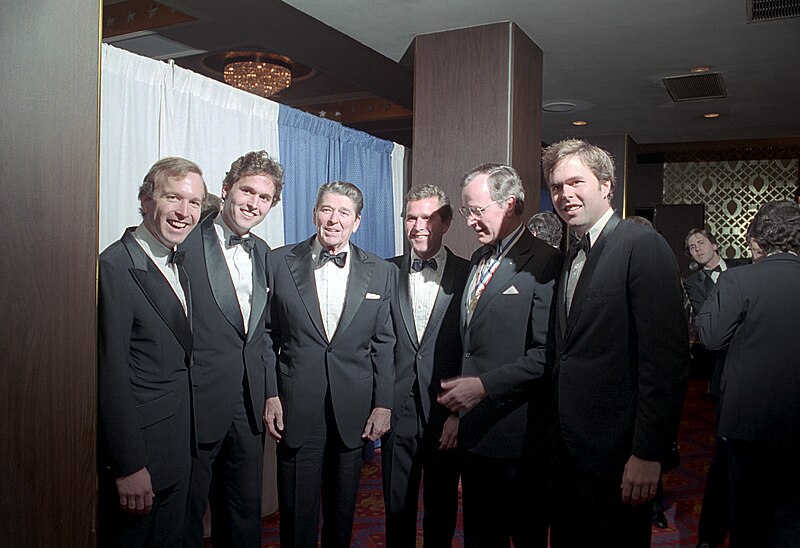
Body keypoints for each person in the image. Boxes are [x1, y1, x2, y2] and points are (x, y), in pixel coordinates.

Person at [542, 139, 689, 547]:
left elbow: (666, 361)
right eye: (556, 186)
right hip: (569, 452)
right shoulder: (571, 254)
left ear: (606, 186)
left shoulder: (640, 245)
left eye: (575, 182)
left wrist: (648, 452)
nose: (564, 195)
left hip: (619, 453)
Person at [263, 181, 396, 548]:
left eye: (343, 213)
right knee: (295, 515)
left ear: (357, 222)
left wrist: (383, 403)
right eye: (326, 210)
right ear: (314, 213)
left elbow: (384, 343)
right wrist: (271, 395)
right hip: (296, 405)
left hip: (353, 410)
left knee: (342, 514)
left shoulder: (382, 272)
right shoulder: (278, 261)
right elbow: (265, 335)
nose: (333, 220)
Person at [437, 163, 563, 547]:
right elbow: (471, 347)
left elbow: (548, 354)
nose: (471, 220)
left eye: (478, 210)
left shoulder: (545, 261)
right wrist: (458, 414)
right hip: (475, 436)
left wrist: (484, 387)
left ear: (509, 204)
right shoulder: (477, 259)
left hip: (519, 438)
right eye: (466, 211)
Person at [98, 157, 206, 547]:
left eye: (194, 203)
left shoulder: (183, 262)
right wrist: (127, 465)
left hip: (180, 448)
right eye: (173, 198)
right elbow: (110, 376)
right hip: (142, 459)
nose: (184, 212)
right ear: (145, 200)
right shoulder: (113, 267)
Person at [180, 150, 283, 547]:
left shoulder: (264, 253)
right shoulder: (184, 244)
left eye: (264, 198)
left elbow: (264, 333)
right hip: (196, 402)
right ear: (226, 189)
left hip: (249, 406)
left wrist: (270, 391)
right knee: (185, 515)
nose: (254, 204)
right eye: (247, 191)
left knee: (243, 514)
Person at [695, 200, 800, 548]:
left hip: (748, 422)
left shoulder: (739, 278)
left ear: (758, 240)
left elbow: (709, 337)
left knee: (749, 519)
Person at [381, 184, 469, 547]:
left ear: (446, 222)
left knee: (442, 506)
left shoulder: (469, 274)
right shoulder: (384, 272)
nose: (418, 226)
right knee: (395, 506)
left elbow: (473, 349)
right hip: (395, 411)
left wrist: (459, 414)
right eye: (411, 217)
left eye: (428, 218)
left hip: (445, 412)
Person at [682, 227, 748, 548]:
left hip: (755, 359)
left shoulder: (744, 268)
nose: (697, 250)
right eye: (692, 248)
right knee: (724, 451)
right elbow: (708, 324)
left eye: (701, 243)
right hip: (724, 364)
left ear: (715, 244)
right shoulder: (693, 283)